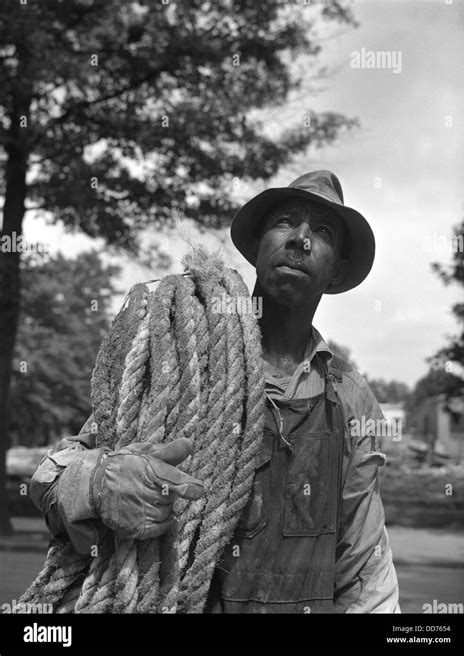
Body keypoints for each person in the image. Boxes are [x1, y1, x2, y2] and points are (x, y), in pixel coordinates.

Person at [30, 170, 400, 613]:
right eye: (286, 222)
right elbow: (50, 480)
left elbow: (365, 566)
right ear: (259, 246)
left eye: (321, 232)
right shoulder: (183, 360)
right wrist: (96, 483)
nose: (301, 239)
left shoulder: (350, 399)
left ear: (337, 267)